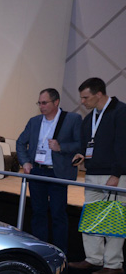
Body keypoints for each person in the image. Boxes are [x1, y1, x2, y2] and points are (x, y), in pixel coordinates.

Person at [68, 77, 126, 274]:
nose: (82, 102)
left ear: (99, 94)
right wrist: (81, 154)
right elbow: (86, 145)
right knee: (91, 217)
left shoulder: (121, 112)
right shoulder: (89, 119)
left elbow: (123, 146)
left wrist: (116, 174)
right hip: (93, 174)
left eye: (86, 97)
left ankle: (114, 264)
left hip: (114, 175)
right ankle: (93, 258)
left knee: (114, 218)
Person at [15, 88, 82, 253]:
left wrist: (61, 147)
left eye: (44, 103)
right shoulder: (34, 121)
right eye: (39, 103)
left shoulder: (72, 119)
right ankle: (40, 250)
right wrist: (25, 162)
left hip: (57, 173)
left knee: (58, 213)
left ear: (56, 102)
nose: (41, 106)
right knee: (38, 212)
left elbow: (80, 144)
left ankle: (60, 252)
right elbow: (20, 142)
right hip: (37, 172)